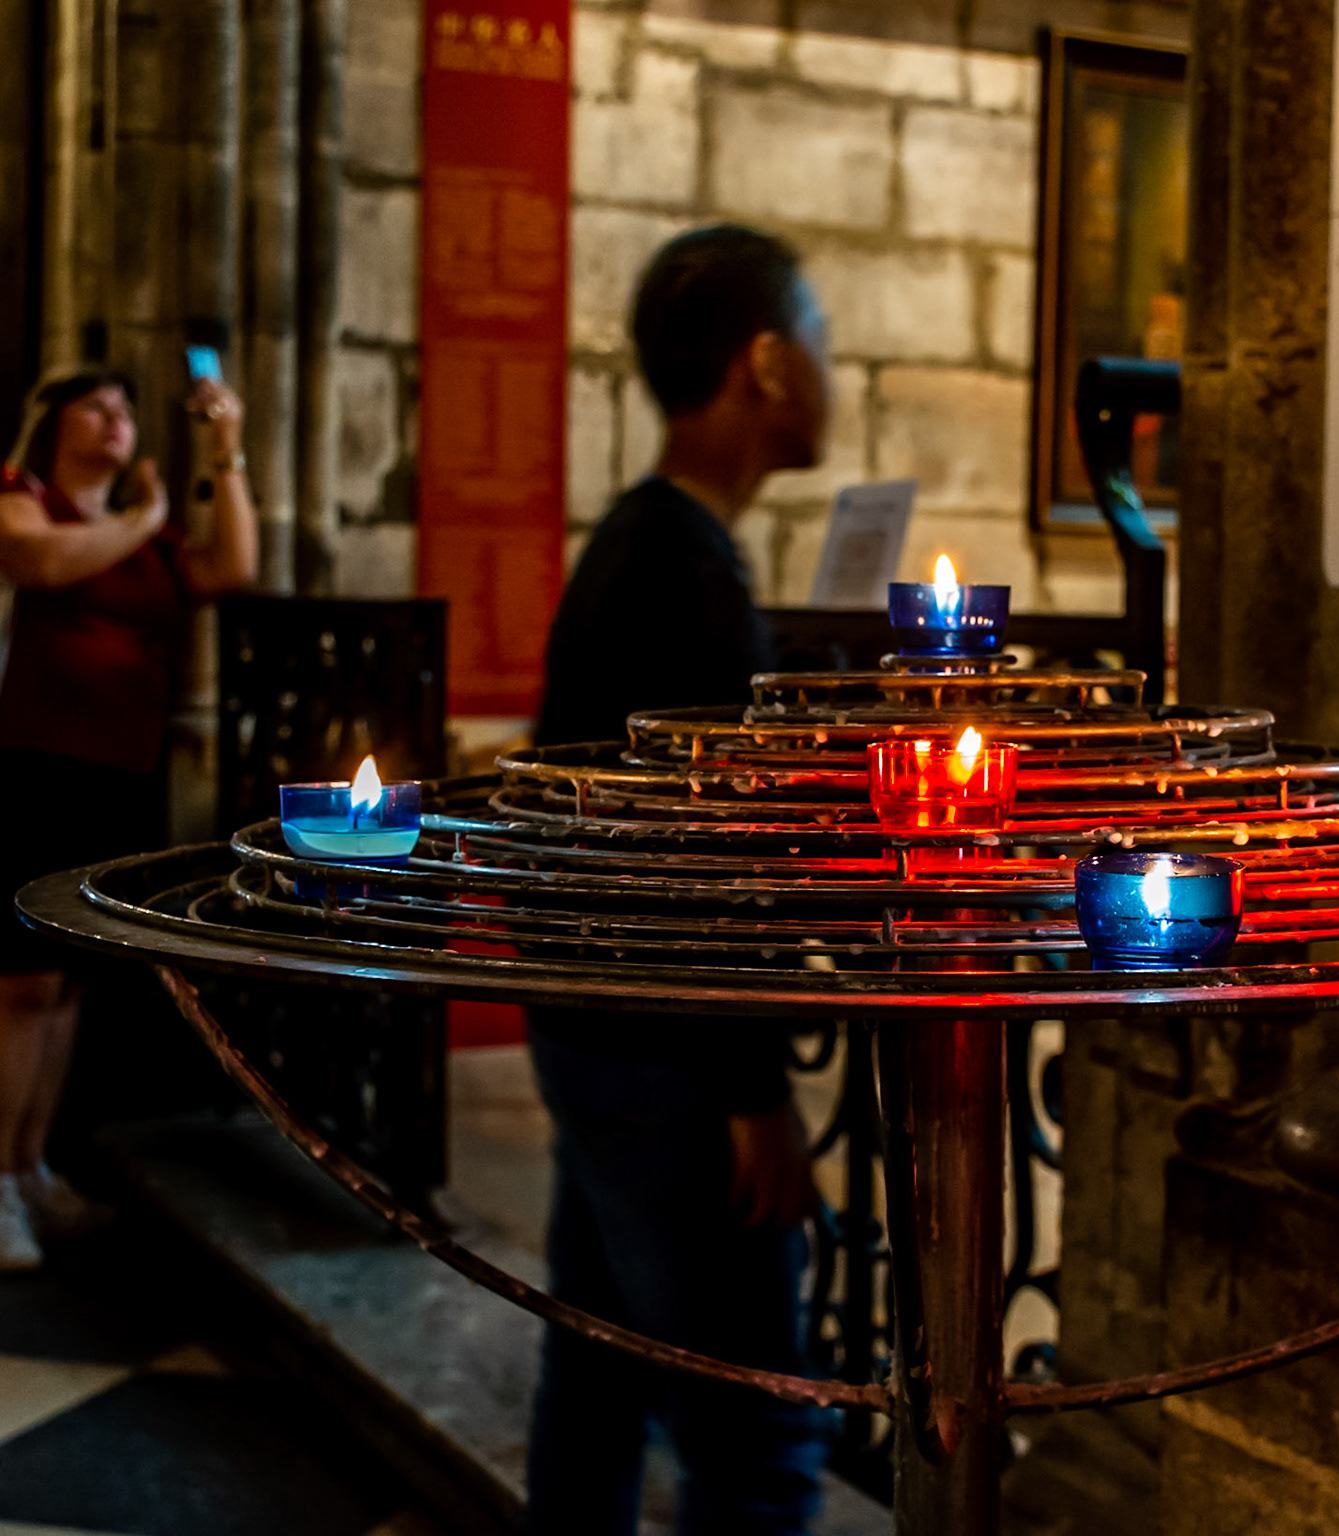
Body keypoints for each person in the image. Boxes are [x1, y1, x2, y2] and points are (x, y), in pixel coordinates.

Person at [526, 225, 834, 1535]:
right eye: (818, 344)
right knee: (758, 1438)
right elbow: (703, 865)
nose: (833, 372)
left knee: (596, 1385)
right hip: (668, 1063)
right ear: (765, 364)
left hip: (601, 1034)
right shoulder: (683, 577)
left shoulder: (643, 545)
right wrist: (754, 1092)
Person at [0, 366, 258, 1270]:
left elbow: (234, 566)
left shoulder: (147, 534)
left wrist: (225, 448)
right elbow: (38, 563)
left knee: (66, 985)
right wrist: (145, 513)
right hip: (35, 766)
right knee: (21, 985)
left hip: (118, 772)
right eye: (96, 407)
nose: (117, 420)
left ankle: (28, 1168)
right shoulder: (24, 497)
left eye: (124, 410)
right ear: (54, 422)